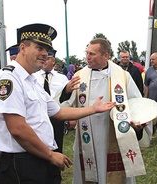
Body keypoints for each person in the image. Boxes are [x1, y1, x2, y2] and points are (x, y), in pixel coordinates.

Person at [0, 23, 116, 184]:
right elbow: (17, 128)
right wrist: (50, 155)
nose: (45, 54)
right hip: (22, 163)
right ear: (23, 47)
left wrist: (93, 109)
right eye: (39, 48)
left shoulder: (32, 81)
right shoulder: (8, 79)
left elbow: (58, 112)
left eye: (47, 50)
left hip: (39, 159)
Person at [61, 38, 146, 184]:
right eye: (87, 53)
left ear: (105, 55)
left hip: (114, 134)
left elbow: (136, 105)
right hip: (87, 134)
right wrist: (67, 91)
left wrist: (138, 125)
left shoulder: (123, 76)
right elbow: (62, 106)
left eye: (92, 54)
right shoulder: (79, 76)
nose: (87, 57)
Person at [33, 49, 70, 183]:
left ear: (53, 61)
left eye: (47, 58)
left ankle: (55, 173)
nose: (44, 61)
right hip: (40, 118)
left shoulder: (62, 78)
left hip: (57, 117)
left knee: (56, 144)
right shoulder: (34, 77)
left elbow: (67, 99)